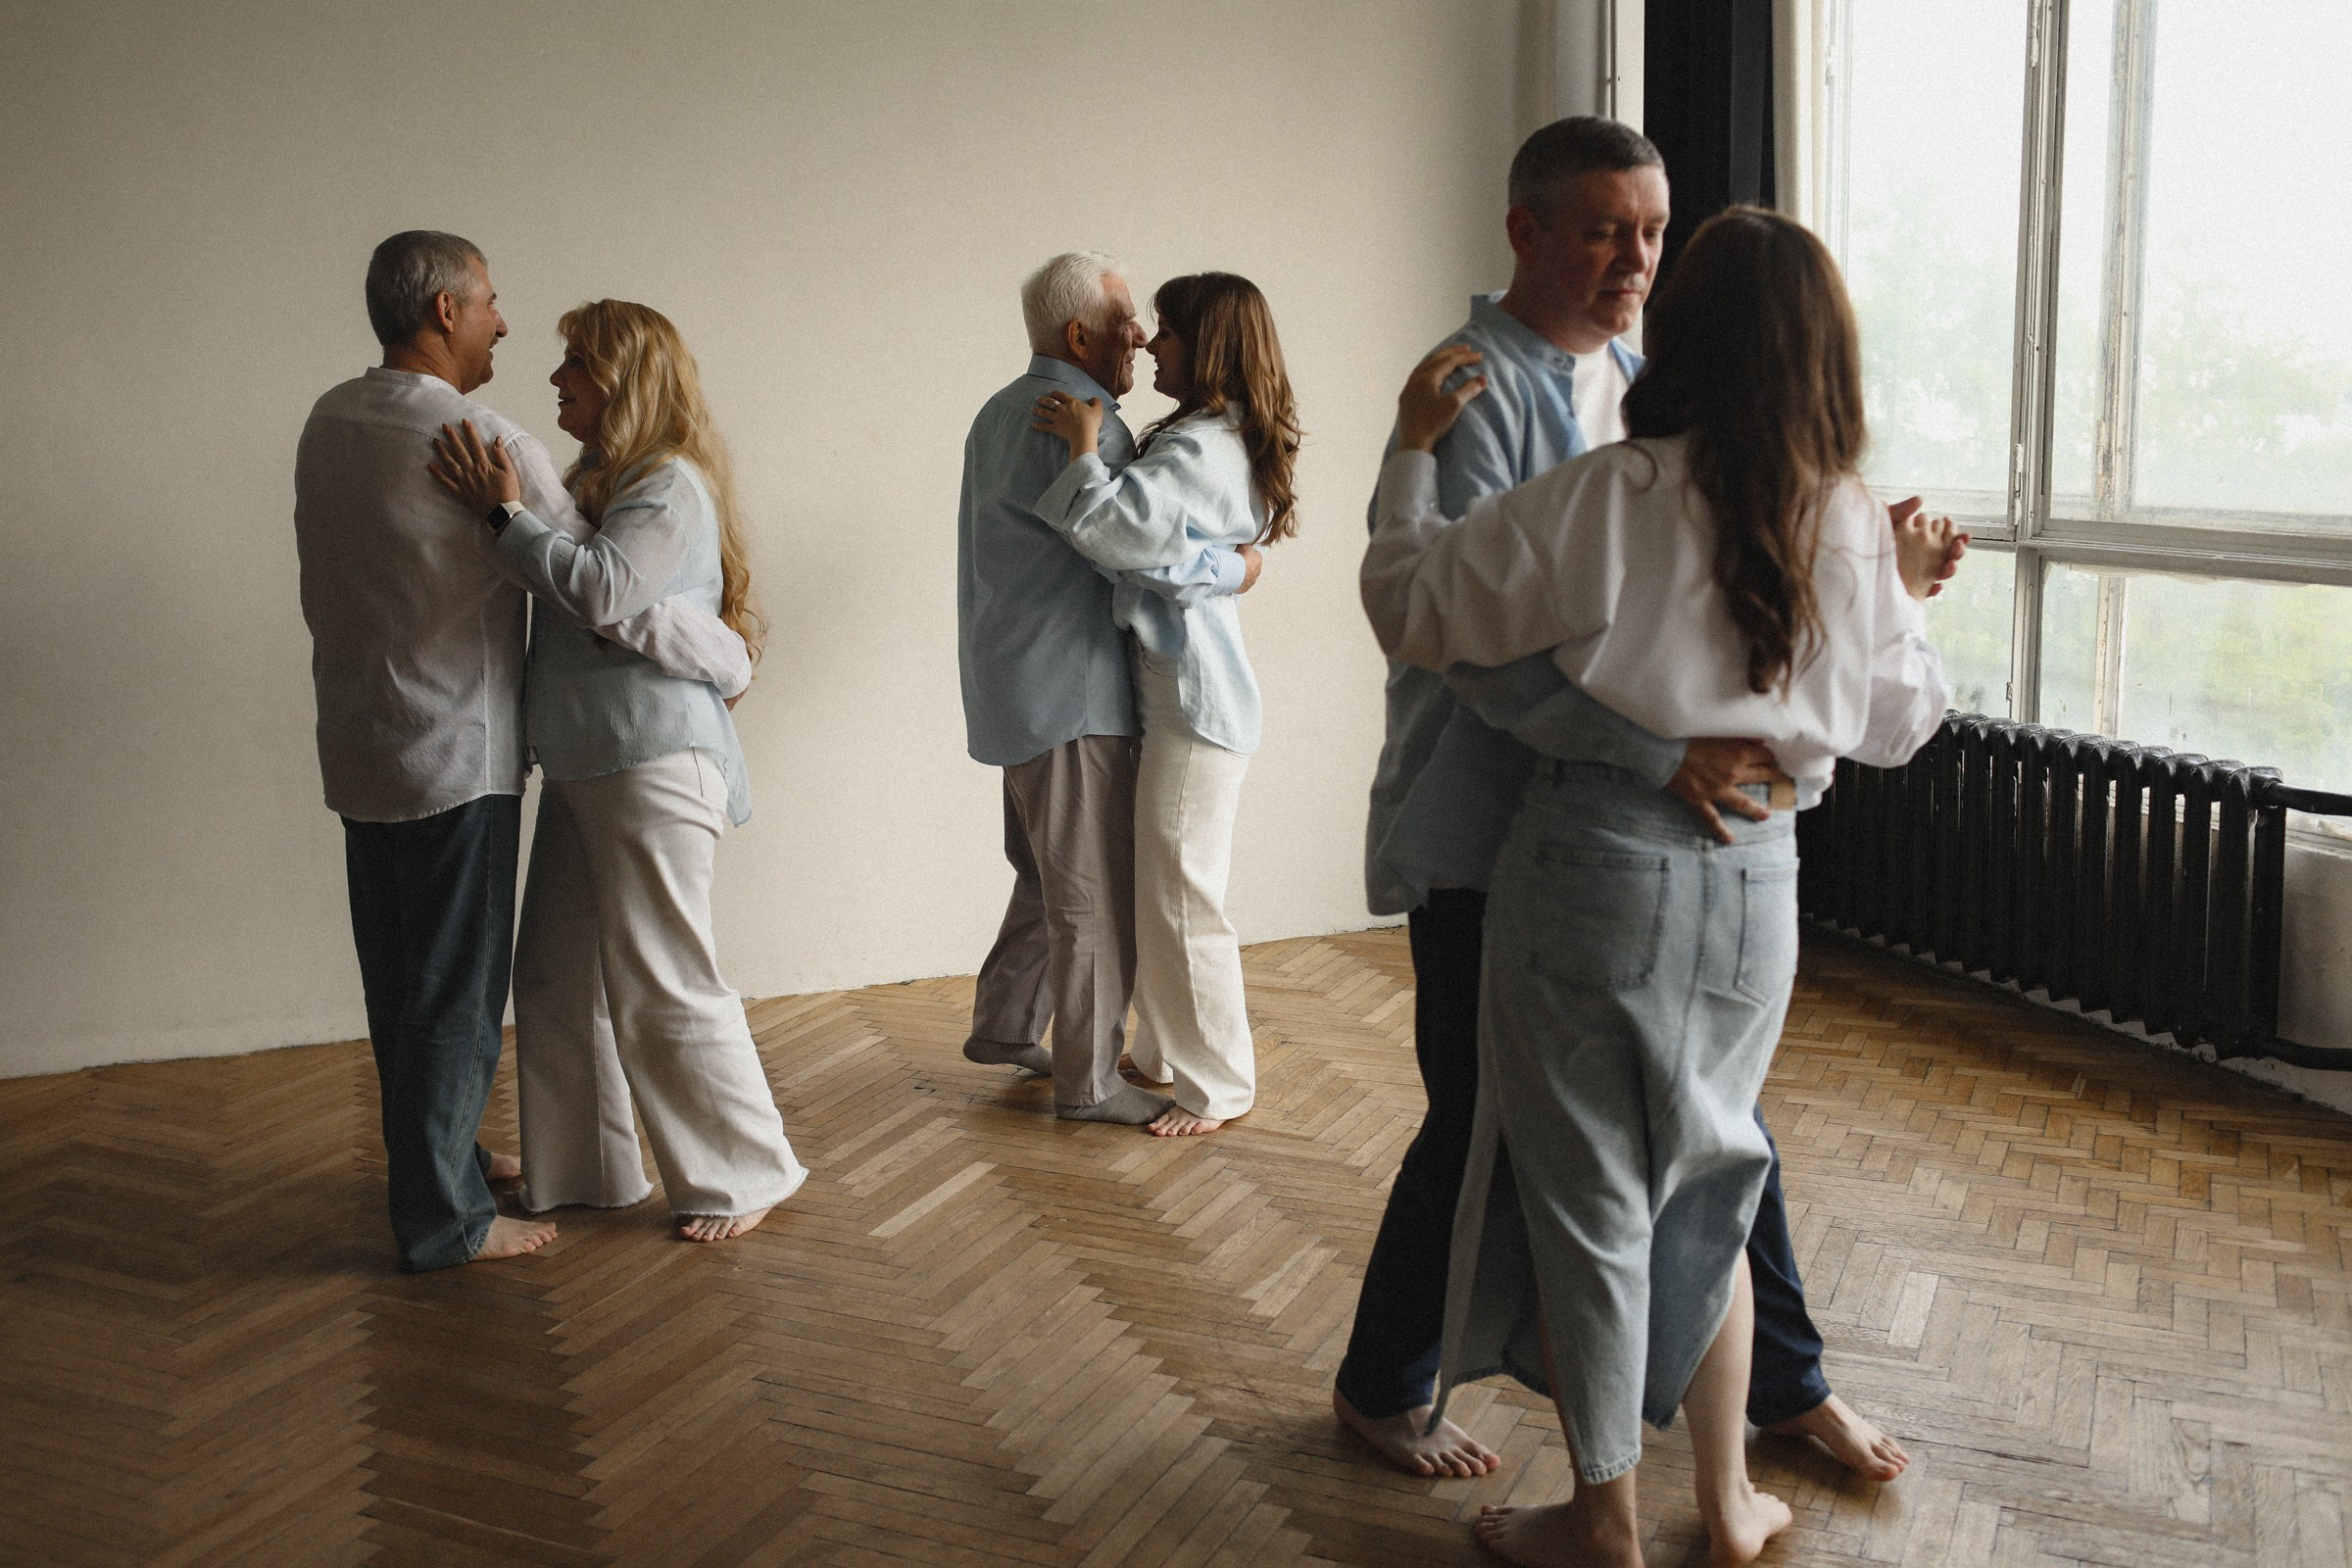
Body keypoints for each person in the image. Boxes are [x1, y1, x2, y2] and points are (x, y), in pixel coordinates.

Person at [1361, 207, 1955, 1568]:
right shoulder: (1853, 522)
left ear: (1681, 335)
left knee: (1590, 1196)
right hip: (1762, 885)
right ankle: (1732, 1504)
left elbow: (1409, 605)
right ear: (1826, 359)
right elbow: (1899, 725)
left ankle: (1604, 1519)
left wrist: (1410, 454)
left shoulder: (1611, 497)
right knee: (1716, 1181)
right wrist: (1906, 590)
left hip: (1594, 868)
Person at [295, 231, 754, 1271]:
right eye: (493, 302)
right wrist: (729, 657)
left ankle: (439, 1164)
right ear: (447, 312)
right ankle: (446, 1217)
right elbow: (607, 597)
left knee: (400, 984)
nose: (507, 324)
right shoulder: (485, 438)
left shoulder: (327, 421)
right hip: (458, 751)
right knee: (456, 996)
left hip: (360, 741)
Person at [428, 298, 805, 1244]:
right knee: (553, 981)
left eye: (576, 367)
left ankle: (745, 1173)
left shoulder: (669, 484)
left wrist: (501, 516)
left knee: (665, 979)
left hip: (655, 762)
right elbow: (614, 602)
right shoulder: (605, 483)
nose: (557, 381)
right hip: (592, 762)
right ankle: (586, 1173)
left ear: (624, 380)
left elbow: (603, 590)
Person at [956, 253, 1261, 1125]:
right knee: (1089, 897)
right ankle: (1089, 1086)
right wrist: (1237, 567)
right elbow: (1128, 544)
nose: (1140, 336)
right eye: (1129, 320)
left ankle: (1009, 1023)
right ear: (1080, 335)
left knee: (1048, 874)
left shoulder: (999, 410)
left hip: (1015, 683)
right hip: (1075, 691)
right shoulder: (1080, 424)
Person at [1030, 272, 1299, 1136]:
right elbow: (1165, 558)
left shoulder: (1200, 449)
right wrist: (1229, 568)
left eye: (1169, 331)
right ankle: (1161, 1055)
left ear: (1210, 344)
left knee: (1184, 898)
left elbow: (1113, 533)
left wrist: (1079, 454)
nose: (1149, 343)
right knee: (1165, 889)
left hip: (1194, 706)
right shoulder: (1212, 437)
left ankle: (1218, 1083)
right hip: (1185, 703)